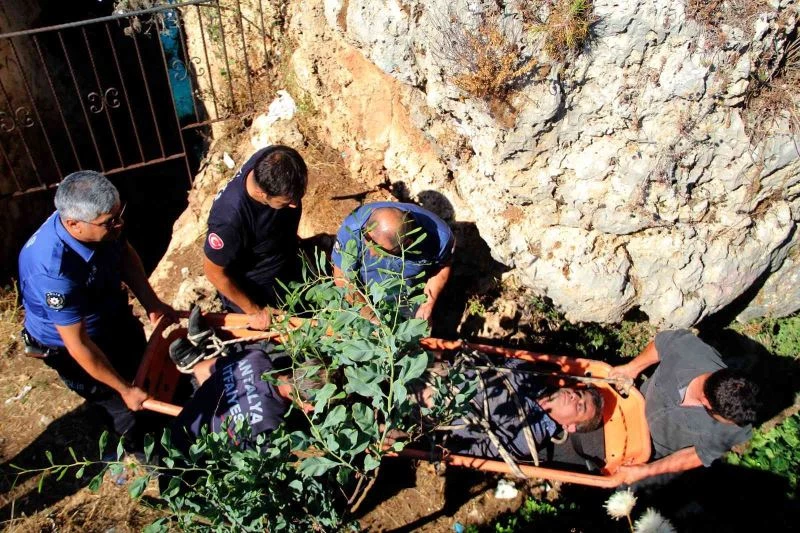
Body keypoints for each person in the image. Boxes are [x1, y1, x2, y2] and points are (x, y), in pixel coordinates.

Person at [18, 170, 176, 441]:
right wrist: (125, 390)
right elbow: (78, 344)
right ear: (74, 224)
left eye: (119, 214)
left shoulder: (104, 226)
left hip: (110, 315)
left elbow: (124, 255)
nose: (119, 224)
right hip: (73, 346)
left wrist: (152, 303)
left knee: (151, 375)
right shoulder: (53, 270)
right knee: (126, 412)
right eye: (109, 222)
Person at [610, 329, 760, 485]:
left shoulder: (735, 428)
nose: (735, 427)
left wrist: (645, 471)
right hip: (630, 407)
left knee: (623, 488)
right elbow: (662, 343)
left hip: (652, 453)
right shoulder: (689, 352)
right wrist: (631, 368)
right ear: (705, 402)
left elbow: (696, 455)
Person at [203, 145, 307, 331]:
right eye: (286, 202)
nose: (295, 205)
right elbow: (214, 272)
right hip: (259, 289)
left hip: (284, 262)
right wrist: (254, 311)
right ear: (262, 194)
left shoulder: (276, 159)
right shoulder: (230, 221)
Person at [419, 358, 604, 461]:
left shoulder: (529, 437)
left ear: (569, 427)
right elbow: (486, 363)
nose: (573, 396)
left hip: (433, 417)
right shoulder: (534, 375)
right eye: (578, 393)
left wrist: (438, 443)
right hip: (437, 374)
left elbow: (478, 451)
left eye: (579, 406)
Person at [331, 202, 455, 324]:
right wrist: (371, 316)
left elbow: (442, 267)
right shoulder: (354, 227)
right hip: (361, 292)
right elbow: (342, 277)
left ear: (408, 243)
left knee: (419, 330)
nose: (371, 253)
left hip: (406, 296)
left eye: (382, 251)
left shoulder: (439, 238)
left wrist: (427, 305)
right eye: (368, 241)